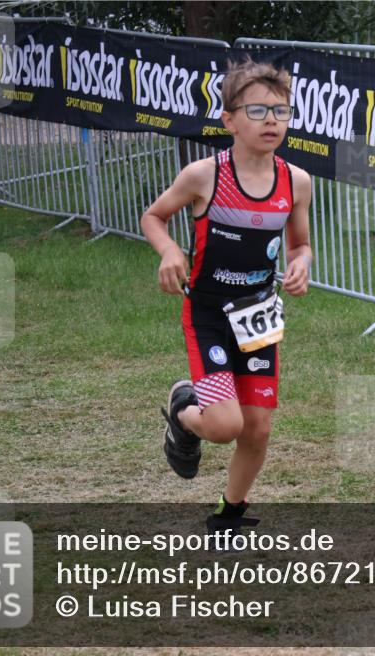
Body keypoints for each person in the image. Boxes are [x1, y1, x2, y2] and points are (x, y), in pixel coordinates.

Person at [140, 57, 311, 539]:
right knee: (223, 426)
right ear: (229, 119)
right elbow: (153, 217)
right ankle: (182, 409)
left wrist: (300, 264)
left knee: (256, 430)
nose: (271, 121)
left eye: (280, 111)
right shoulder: (203, 175)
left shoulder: (296, 182)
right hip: (210, 315)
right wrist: (170, 250)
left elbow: (300, 243)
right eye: (256, 111)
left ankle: (228, 517)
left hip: (258, 317)